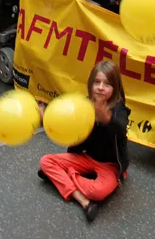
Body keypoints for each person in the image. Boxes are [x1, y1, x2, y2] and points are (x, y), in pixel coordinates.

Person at [39, 60, 131, 222]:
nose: (100, 87)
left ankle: (63, 178)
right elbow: (71, 129)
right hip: (86, 158)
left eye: (107, 84)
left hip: (109, 166)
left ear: (115, 88)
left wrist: (106, 118)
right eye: (97, 82)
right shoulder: (85, 104)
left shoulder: (119, 110)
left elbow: (120, 128)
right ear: (91, 84)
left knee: (98, 192)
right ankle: (82, 200)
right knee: (45, 161)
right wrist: (48, 120)